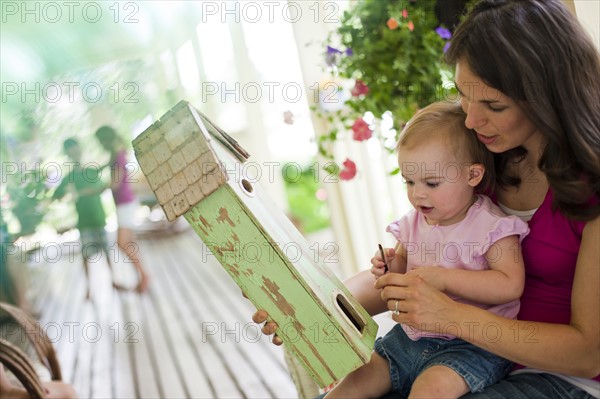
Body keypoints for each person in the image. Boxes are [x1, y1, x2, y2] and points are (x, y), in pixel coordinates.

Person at [253, 1, 600, 397]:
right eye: (463, 96)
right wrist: (312, 307)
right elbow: (410, 274)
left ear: (548, 94)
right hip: (452, 351)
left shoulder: (592, 186)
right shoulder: (474, 157)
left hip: (564, 380)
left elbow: (590, 353)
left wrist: (451, 315)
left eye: (494, 105)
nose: (470, 119)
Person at [325, 101, 530, 398]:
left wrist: (443, 278)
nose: (418, 193)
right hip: (410, 337)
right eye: (409, 181)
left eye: (432, 182)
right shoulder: (413, 223)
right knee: (356, 379)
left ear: (473, 176)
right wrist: (390, 267)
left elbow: (510, 284)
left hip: (472, 346)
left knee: (430, 390)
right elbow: (404, 267)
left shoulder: (493, 227)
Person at [52, 138, 127, 300]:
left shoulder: (92, 171)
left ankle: (114, 280)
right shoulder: (69, 177)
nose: (74, 152)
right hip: (84, 223)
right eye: (70, 150)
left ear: (80, 149)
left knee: (107, 253)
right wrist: (67, 194)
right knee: (86, 257)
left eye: (76, 148)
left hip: (99, 219)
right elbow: (56, 196)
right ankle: (89, 288)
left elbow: (103, 186)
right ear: (67, 154)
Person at [95, 126, 149, 293]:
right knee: (130, 243)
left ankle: (144, 276)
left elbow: (115, 183)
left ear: (105, 139)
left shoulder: (117, 154)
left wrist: (95, 190)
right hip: (125, 203)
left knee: (123, 243)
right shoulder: (117, 153)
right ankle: (141, 278)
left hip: (125, 203)